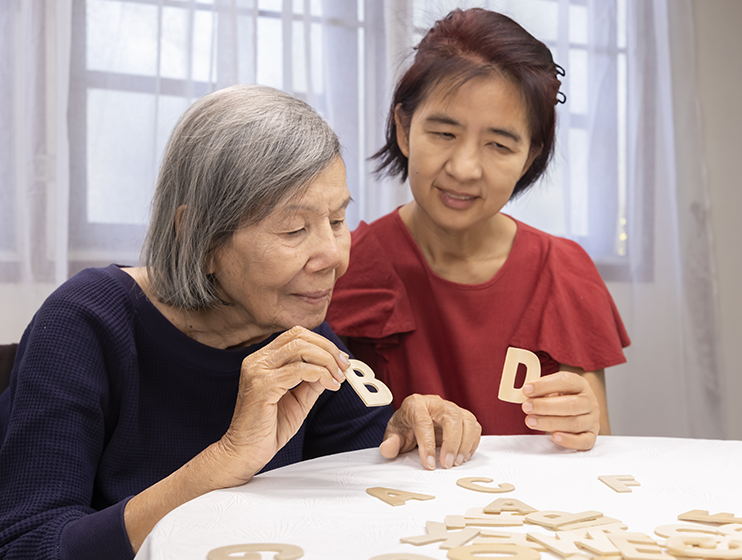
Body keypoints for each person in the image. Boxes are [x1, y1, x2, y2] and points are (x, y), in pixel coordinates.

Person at [0, 85, 480, 560]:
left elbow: (370, 475)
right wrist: (225, 459)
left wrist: (407, 432)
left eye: (337, 221)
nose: (333, 256)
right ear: (200, 237)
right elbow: (30, 546)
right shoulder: (86, 322)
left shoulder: (295, 327)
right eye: (294, 229)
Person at [327, 8, 630, 452]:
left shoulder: (565, 272)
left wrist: (585, 423)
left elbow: (595, 446)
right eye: (444, 134)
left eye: (499, 145)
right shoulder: (344, 266)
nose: (465, 168)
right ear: (405, 129)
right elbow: (316, 445)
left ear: (529, 158)